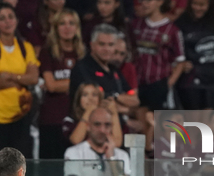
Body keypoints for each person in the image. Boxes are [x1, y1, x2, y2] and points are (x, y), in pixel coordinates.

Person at [0, 2, 40, 159]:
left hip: (20, 116)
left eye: (10, 17)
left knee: (21, 168)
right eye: (2, 18)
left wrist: (10, 76)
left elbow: (33, 78)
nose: (7, 22)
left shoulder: (26, 47)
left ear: (17, 20)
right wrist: (21, 79)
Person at [39, 9, 86, 163]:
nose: (67, 28)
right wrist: (77, 82)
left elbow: (89, 85)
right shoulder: (47, 52)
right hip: (52, 120)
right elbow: (51, 86)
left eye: (71, 23)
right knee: (51, 171)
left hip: (78, 120)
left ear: (77, 27)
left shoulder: (84, 54)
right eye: (62, 23)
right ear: (56, 27)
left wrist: (62, 84)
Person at [69, 23, 139, 115]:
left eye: (110, 45)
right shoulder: (82, 68)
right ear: (92, 45)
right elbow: (96, 101)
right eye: (102, 44)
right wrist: (123, 105)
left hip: (116, 124)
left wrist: (115, 97)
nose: (106, 49)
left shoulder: (114, 69)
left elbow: (134, 98)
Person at [132, 0, 186, 111]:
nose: (144, 3)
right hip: (136, 83)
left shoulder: (172, 30)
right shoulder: (135, 25)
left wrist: (167, 85)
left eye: (149, 1)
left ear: (160, 2)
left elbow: (180, 61)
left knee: (159, 123)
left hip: (158, 83)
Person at [175, 0, 214, 110]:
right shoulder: (181, 23)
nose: (197, 8)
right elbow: (173, 49)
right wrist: (180, 63)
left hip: (211, 78)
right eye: (194, 4)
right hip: (190, 80)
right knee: (194, 120)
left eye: (202, 5)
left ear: (209, 5)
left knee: (209, 118)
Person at [64, 107, 130, 176]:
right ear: (88, 126)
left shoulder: (122, 155)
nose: (102, 130)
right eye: (97, 124)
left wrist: (112, 159)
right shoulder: (74, 152)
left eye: (107, 125)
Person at [64, 82, 123, 147]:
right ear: (79, 99)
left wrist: (114, 113)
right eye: (85, 95)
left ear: (100, 99)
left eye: (94, 95)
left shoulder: (105, 119)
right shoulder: (70, 120)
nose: (90, 99)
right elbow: (75, 140)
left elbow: (117, 143)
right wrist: (88, 112)